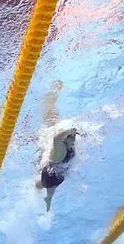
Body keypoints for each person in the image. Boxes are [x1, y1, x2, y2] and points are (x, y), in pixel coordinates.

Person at [35, 80, 78, 211]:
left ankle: (44, 196)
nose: (74, 138)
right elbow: (56, 139)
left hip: (51, 173)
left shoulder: (62, 150)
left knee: (44, 184)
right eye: (73, 137)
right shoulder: (65, 150)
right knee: (49, 186)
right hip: (57, 173)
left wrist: (68, 131)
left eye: (73, 137)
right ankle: (47, 199)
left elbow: (55, 139)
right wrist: (69, 131)